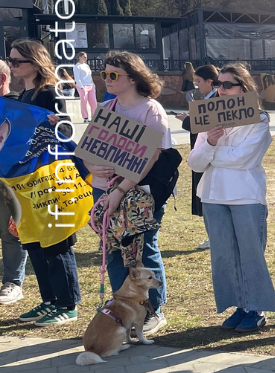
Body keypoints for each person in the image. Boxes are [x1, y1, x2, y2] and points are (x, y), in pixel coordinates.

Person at [81, 51, 176, 334]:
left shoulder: (151, 110)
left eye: (113, 75)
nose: (106, 80)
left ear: (132, 78)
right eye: (104, 75)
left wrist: (120, 191)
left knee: (143, 250)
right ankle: (122, 309)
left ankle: (153, 311)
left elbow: (151, 156)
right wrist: (92, 168)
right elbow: (87, 149)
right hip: (104, 190)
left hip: (139, 193)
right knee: (112, 250)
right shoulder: (106, 109)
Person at [189, 64, 275, 332]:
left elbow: (243, 159)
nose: (221, 89)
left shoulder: (259, 120)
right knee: (225, 255)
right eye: (218, 84)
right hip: (213, 196)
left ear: (244, 87)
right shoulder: (208, 117)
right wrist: (212, 143)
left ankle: (257, 308)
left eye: (228, 85)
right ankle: (240, 306)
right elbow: (194, 163)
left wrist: (212, 154)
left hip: (245, 196)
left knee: (251, 254)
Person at [7, 40, 80, 325]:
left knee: (56, 241)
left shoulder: (51, 93)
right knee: (34, 242)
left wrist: (54, 124)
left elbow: (67, 131)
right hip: (27, 181)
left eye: (17, 62)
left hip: (50, 180)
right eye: (10, 61)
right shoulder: (23, 94)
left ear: (35, 63)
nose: (12, 66)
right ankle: (49, 300)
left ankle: (67, 304)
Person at [175, 65, 219, 249]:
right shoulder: (206, 99)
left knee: (209, 196)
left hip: (209, 155)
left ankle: (215, 237)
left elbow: (205, 127)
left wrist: (186, 120)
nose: (197, 85)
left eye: (199, 81)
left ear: (210, 81)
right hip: (202, 153)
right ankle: (213, 235)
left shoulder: (216, 100)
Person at [0, 59, 27, 307]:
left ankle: (12, 283)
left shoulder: (20, 106)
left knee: (10, 232)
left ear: (1, 79)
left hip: (10, 181)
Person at [74, 51, 96, 121]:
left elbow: (90, 76)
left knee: (93, 102)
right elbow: (77, 78)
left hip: (90, 85)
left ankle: (94, 116)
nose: (86, 58)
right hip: (83, 86)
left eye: (86, 57)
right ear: (80, 57)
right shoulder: (77, 66)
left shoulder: (86, 66)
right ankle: (85, 117)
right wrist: (81, 87)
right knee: (84, 102)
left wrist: (93, 84)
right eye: (84, 57)